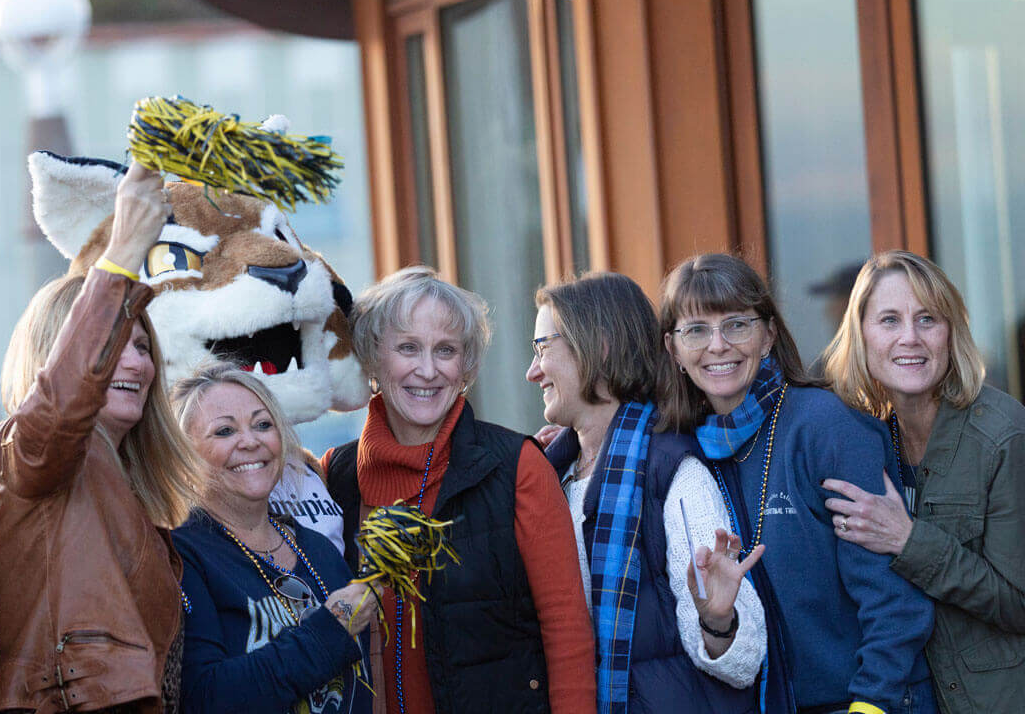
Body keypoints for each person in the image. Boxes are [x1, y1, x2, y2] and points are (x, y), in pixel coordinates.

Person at [0, 163, 202, 713]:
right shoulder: (17, 455)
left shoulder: (131, 492)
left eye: (143, 347)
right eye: (114, 341)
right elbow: (62, 405)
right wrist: (121, 252)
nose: (135, 361)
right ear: (59, 354)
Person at [658, 253, 935, 714]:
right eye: (697, 329)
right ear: (674, 350)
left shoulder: (824, 427)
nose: (718, 345)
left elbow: (895, 599)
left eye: (737, 325)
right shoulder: (687, 452)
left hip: (872, 701)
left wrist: (870, 705)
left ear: (767, 336)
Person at [323, 266, 596, 714]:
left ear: (465, 366)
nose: (427, 370)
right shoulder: (334, 476)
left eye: (445, 350)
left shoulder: (517, 467)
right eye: (408, 348)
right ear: (372, 356)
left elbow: (567, 633)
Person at [527, 273, 783, 713]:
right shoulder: (549, 476)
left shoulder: (674, 472)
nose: (533, 371)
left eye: (542, 349)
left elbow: (744, 662)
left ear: (599, 346)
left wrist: (718, 620)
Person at [820, 250, 1025, 713]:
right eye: (889, 320)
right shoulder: (862, 437)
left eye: (927, 319)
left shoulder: (1003, 436)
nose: (909, 338)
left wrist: (910, 540)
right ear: (862, 334)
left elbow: (1019, 601)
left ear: (951, 331)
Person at [169, 363, 375, 713]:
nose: (250, 441)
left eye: (263, 425)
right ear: (184, 453)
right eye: (224, 431)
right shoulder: (180, 556)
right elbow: (205, 697)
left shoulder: (318, 548)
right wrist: (331, 628)